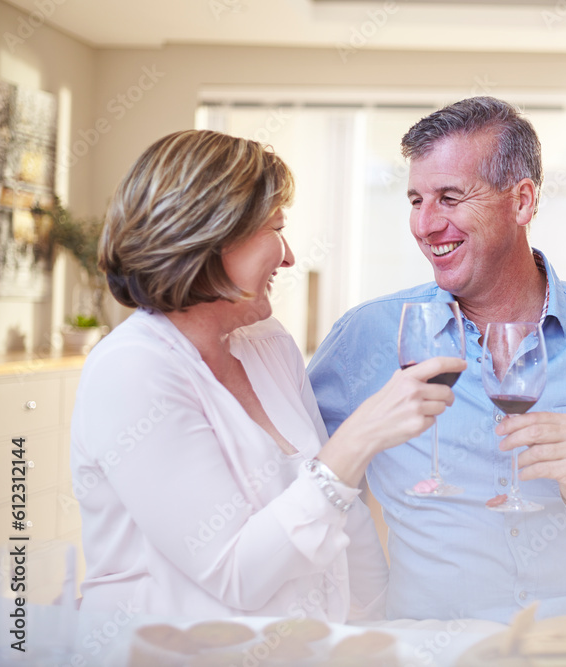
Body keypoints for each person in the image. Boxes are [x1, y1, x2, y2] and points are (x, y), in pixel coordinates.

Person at [308, 97, 566, 624]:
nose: (425, 224)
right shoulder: (366, 337)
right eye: (416, 200)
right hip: (428, 651)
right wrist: (363, 607)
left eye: (450, 197)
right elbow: (302, 489)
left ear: (523, 202)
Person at [71, 129, 464, 620]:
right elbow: (236, 574)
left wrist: (386, 625)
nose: (290, 255)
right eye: (275, 229)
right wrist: (358, 438)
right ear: (210, 237)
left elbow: (343, 519)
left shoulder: (267, 342)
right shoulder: (132, 371)